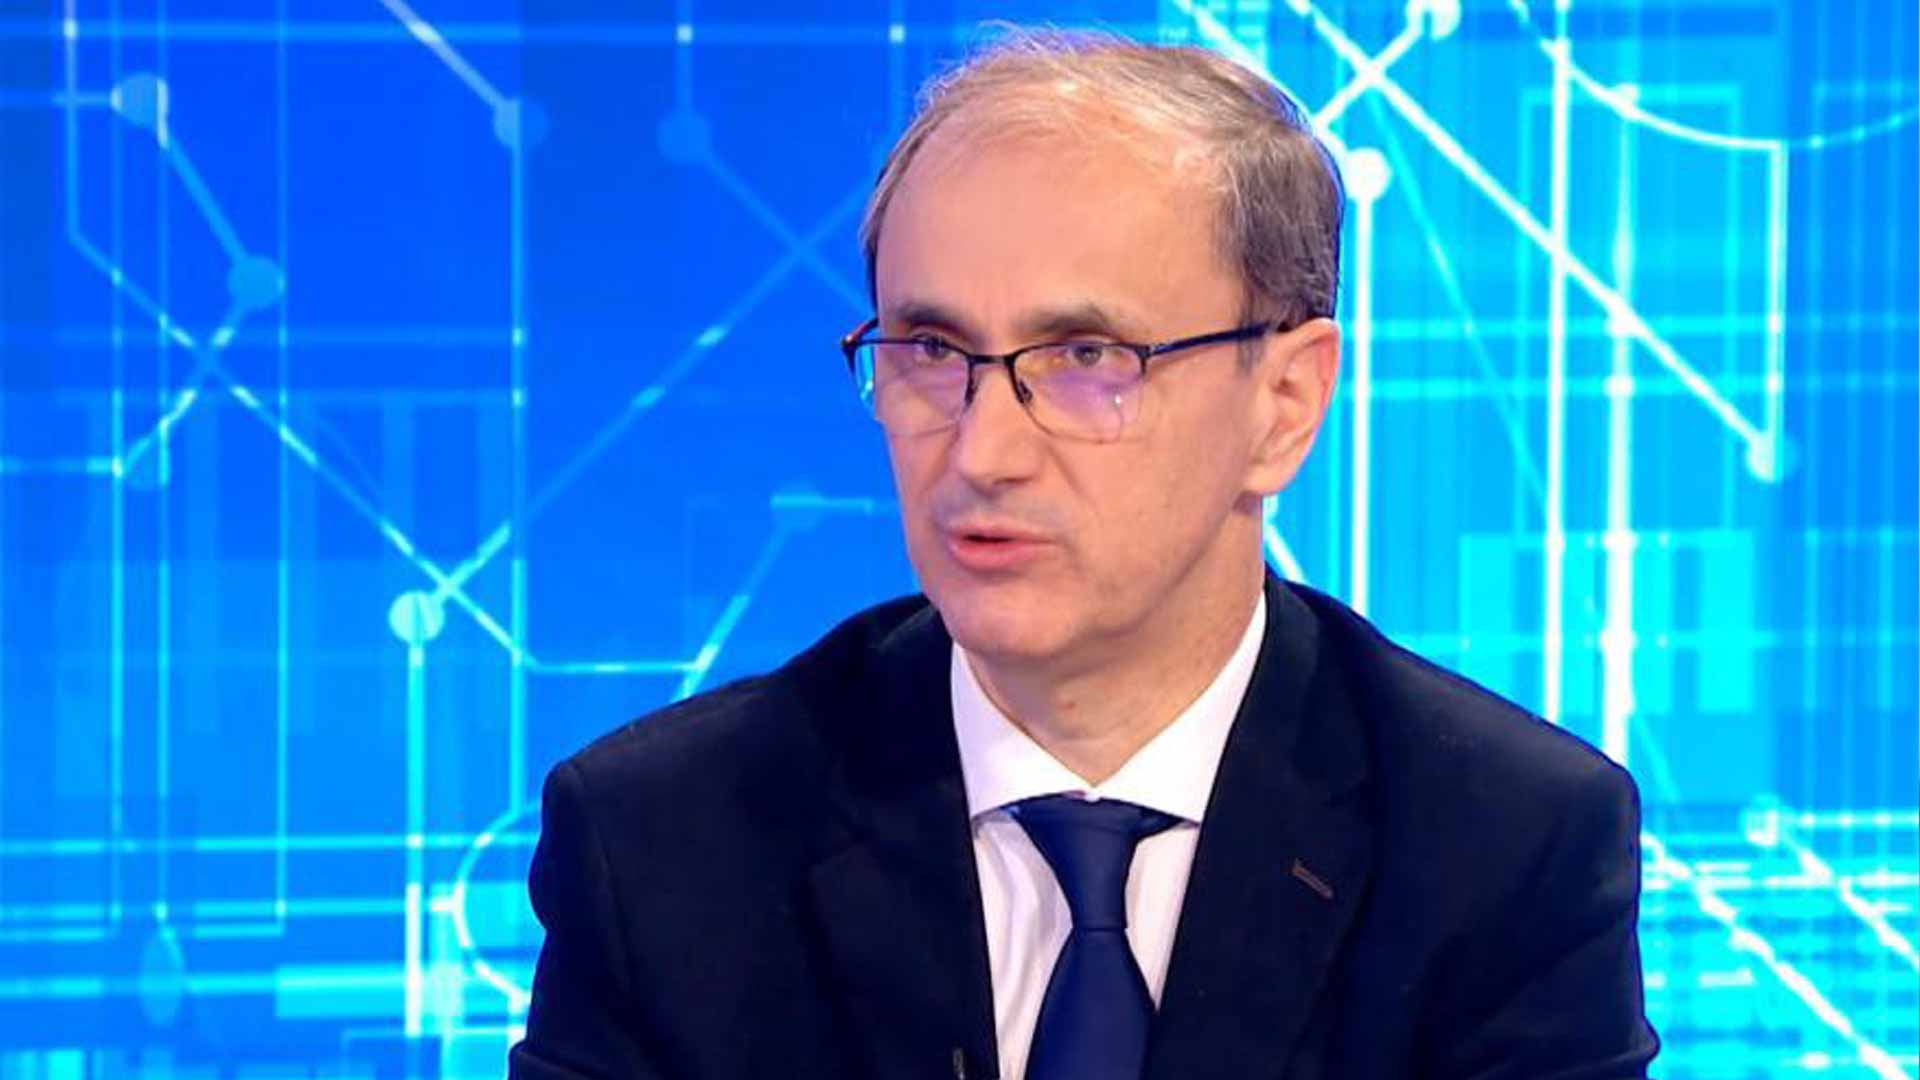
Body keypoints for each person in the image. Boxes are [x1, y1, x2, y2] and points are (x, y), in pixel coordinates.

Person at [508, 27, 1658, 1080]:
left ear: (1286, 404)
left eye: (1087, 357)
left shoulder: (1503, 851)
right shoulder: (664, 847)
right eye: (931, 350)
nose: (983, 451)